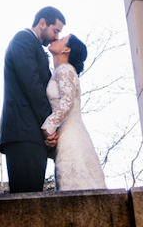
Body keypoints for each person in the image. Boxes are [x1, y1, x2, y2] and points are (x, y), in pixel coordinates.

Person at [0, 6, 66, 193]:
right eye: (55, 30)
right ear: (42, 23)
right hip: (23, 133)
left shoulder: (32, 45)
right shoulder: (23, 40)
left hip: (30, 135)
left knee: (32, 196)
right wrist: (49, 125)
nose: (56, 36)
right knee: (26, 201)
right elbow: (33, 87)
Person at [42, 34, 106, 191]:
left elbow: (67, 101)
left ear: (66, 49)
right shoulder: (61, 71)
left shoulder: (64, 69)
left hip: (71, 138)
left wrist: (47, 128)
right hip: (67, 135)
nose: (55, 39)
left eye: (61, 39)